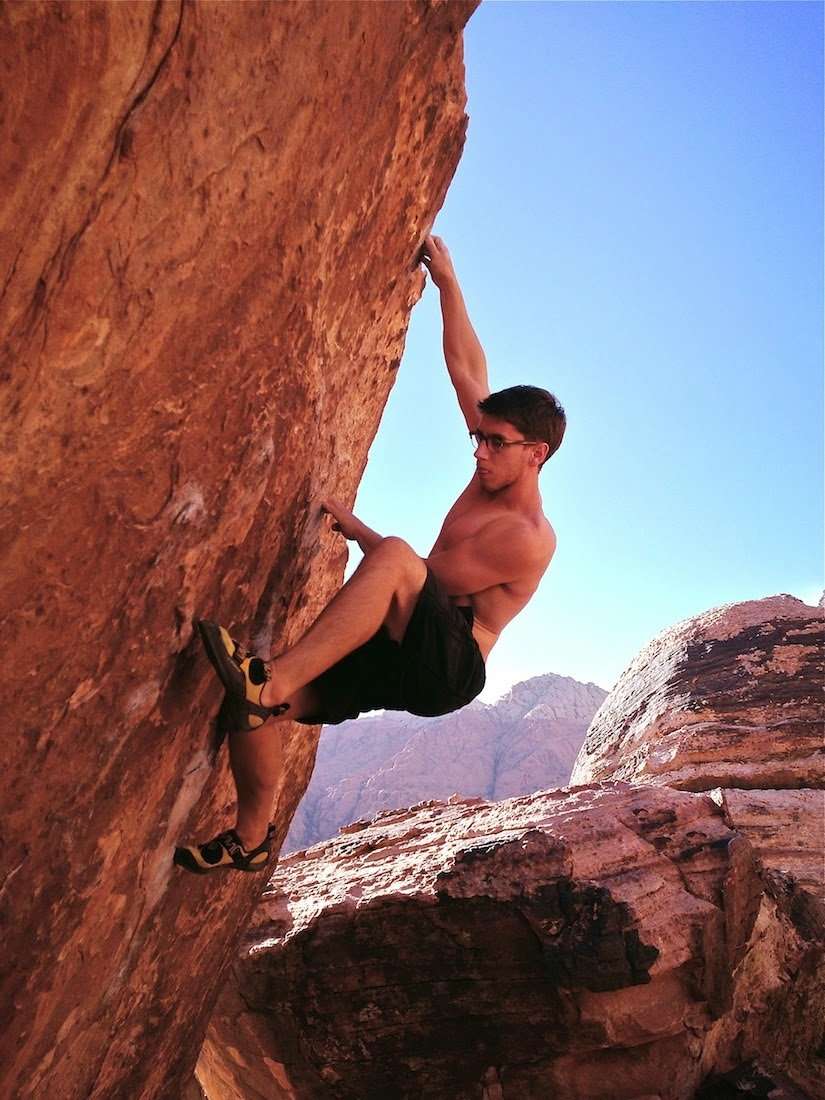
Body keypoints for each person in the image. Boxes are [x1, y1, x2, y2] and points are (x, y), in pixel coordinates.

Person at [174, 234, 566, 874]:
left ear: (535, 453)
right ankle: (248, 838)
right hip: (401, 640)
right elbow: (466, 369)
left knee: (395, 560)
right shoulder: (491, 466)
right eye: (480, 439)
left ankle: (272, 674)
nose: (479, 452)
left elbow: (417, 580)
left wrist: (363, 533)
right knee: (254, 712)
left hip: (448, 664)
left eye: (495, 443)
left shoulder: (526, 535)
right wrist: (449, 283)